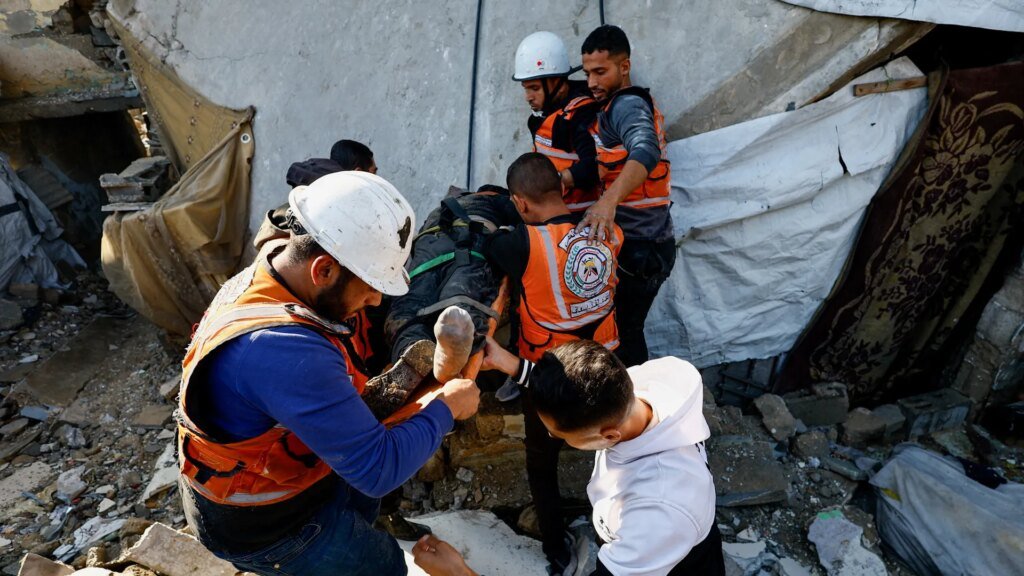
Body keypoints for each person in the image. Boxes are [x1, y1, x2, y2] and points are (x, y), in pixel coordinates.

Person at [177, 171, 481, 576]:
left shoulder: (269, 278)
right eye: (371, 286)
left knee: (358, 513)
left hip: (285, 481)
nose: (375, 301)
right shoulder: (282, 350)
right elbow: (377, 469)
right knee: (384, 565)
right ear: (323, 270)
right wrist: (447, 408)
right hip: (267, 526)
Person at [414, 340, 724, 576]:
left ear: (609, 436)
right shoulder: (640, 393)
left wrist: (461, 573)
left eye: (559, 436)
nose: (552, 437)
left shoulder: (658, 511)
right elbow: (576, 390)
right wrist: (511, 364)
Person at [484, 152, 622, 575]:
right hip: (606, 364)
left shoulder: (519, 244)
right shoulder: (610, 232)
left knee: (541, 463)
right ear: (560, 189)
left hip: (551, 374)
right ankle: (620, 523)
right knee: (614, 445)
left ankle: (556, 549)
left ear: (520, 203)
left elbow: (488, 246)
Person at [577, 25, 675, 368]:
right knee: (626, 330)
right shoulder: (615, 104)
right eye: (587, 73)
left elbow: (645, 149)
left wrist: (608, 201)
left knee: (623, 335)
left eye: (600, 72)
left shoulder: (627, 105)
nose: (592, 83)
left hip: (641, 248)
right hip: (647, 244)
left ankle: (633, 409)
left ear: (625, 67)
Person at [512, 31, 600, 211]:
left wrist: (554, 181)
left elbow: (594, 165)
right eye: (526, 89)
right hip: (549, 212)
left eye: (534, 89)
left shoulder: (580, 115)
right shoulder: (545, 115)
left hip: (576, 217)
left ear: (556, 82)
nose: (528, 97)